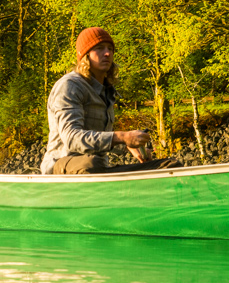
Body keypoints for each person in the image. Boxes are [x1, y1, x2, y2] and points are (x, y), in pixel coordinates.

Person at [40, 26, 154, 174]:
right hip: (62, 165)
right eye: (99, 48)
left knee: (167, 165)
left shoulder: (106, 89)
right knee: (91, 163)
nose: (107, 53)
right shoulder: (69, 86)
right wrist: (122, 137)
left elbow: (98, 133)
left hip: (98, 167)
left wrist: (128, 145)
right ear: (85, 55)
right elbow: (72, 138)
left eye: (110, 49)